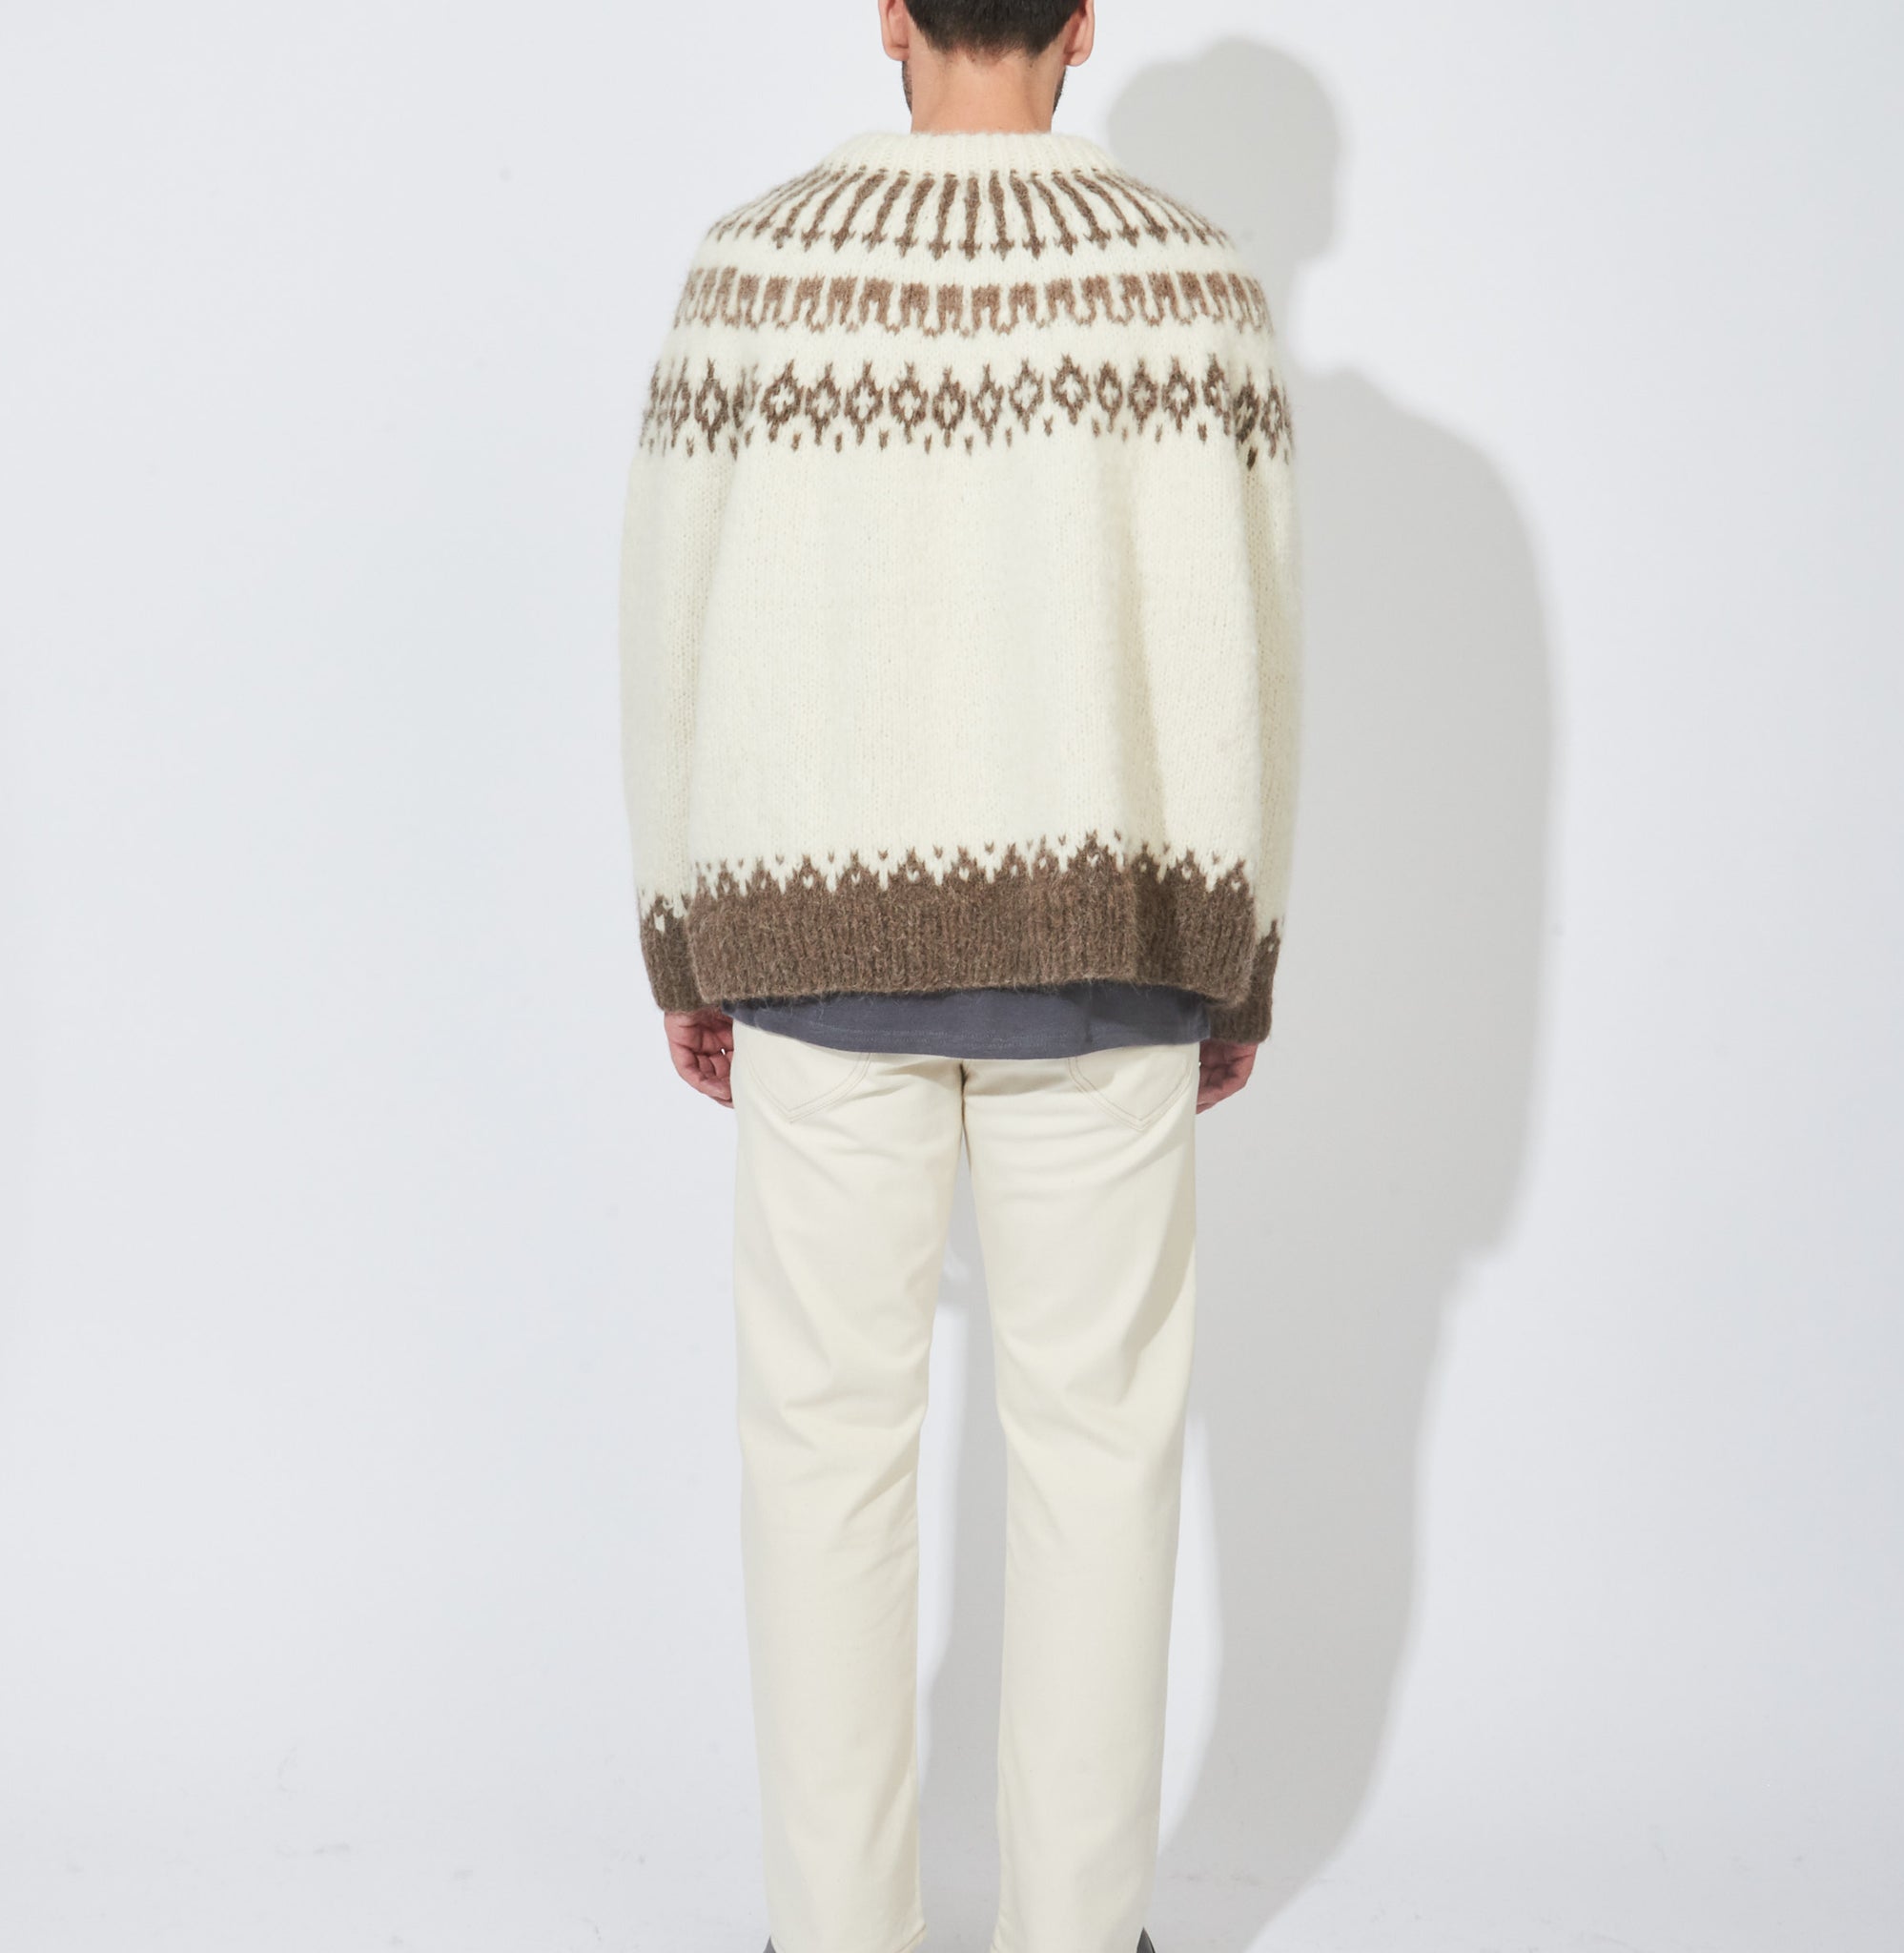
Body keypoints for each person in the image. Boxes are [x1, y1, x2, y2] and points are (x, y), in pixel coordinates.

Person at [615, 3, 1302, 1949]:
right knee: (1097, 1455)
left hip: (812, 962)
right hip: (1109, 962)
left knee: (822, 1454)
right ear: (1083, 25)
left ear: (888, 16)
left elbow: (664, 618)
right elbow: (1255, 649)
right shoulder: (1199, 287)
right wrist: (1237, 961)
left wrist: (683, 933)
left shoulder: (751, 271)